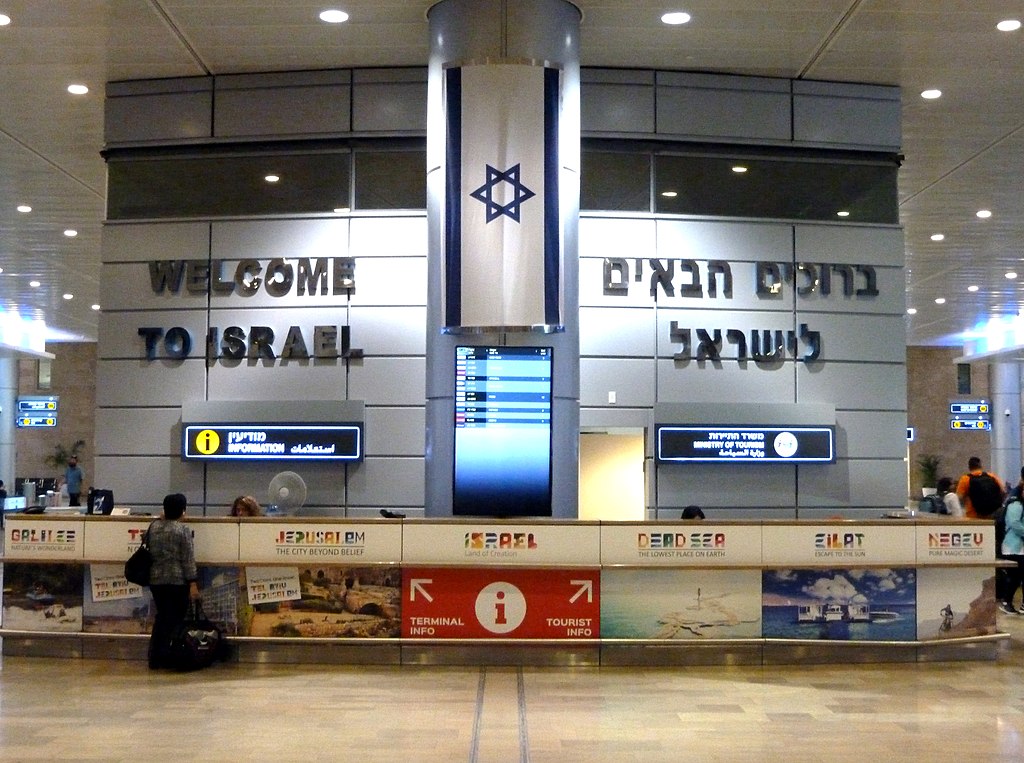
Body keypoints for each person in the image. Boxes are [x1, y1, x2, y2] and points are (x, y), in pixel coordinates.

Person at [147, 493, 200, 669]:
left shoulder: (154, 527)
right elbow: (188, 559)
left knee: (162, 617)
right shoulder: (182, 530)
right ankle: (171, 655)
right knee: (175, 619)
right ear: (183, 510)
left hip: (156, 580)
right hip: (177, 581)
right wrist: (193, 583)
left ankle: (155, 656)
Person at [998, 486, 1024, 615]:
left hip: (1019, 547)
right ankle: (1006, 602)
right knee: (1015, 576)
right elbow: (1015, 524)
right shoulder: (1015, 505)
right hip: (1013, 547)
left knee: (1018, 576)